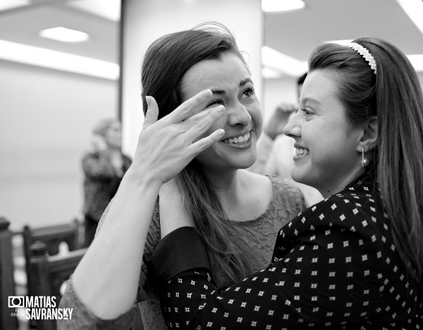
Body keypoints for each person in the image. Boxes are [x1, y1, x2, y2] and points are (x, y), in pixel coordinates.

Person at [146, 37, 423, 329]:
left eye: (308, 112)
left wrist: (171, 181)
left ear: (367, 134)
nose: (290, 127)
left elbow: (202, 322)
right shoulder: (391, 208)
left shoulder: (350, 232)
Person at [60, 23, 316, 330]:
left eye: (246, 92)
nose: (242, 116)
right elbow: (76, 320)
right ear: (173, 120)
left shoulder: (290, 199)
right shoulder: (151, 214)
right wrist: (142, 174)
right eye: (215, 103)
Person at [81, 118, 132, 247]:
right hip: (96, 220)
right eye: (115, 130)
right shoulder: (90, 159)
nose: (120, 134)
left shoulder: (126, 160)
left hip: (120, 219)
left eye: (121, 130)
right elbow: (101, 172)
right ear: (102, 135)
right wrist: (103, 150)